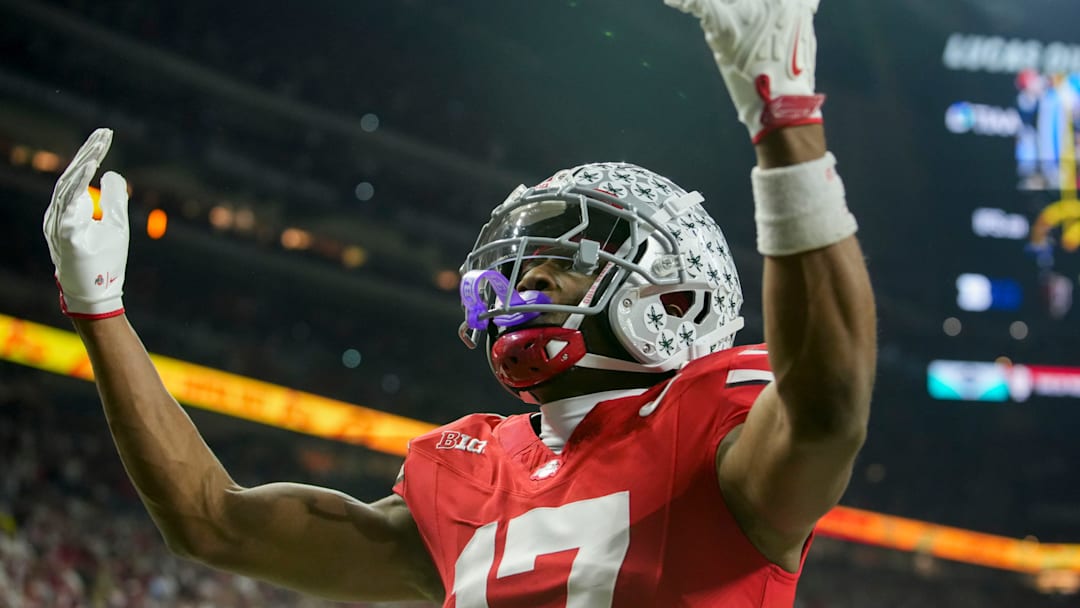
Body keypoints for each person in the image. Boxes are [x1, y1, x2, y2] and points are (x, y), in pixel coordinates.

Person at [41, 0, 875, 606]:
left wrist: (787, 122)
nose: (529, 283)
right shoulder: (466, 472)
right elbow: (214, 524)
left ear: (676, 296)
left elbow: (830, 404)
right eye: (527, 262)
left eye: (567, 263)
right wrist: (99, 310)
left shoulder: (712, 430)